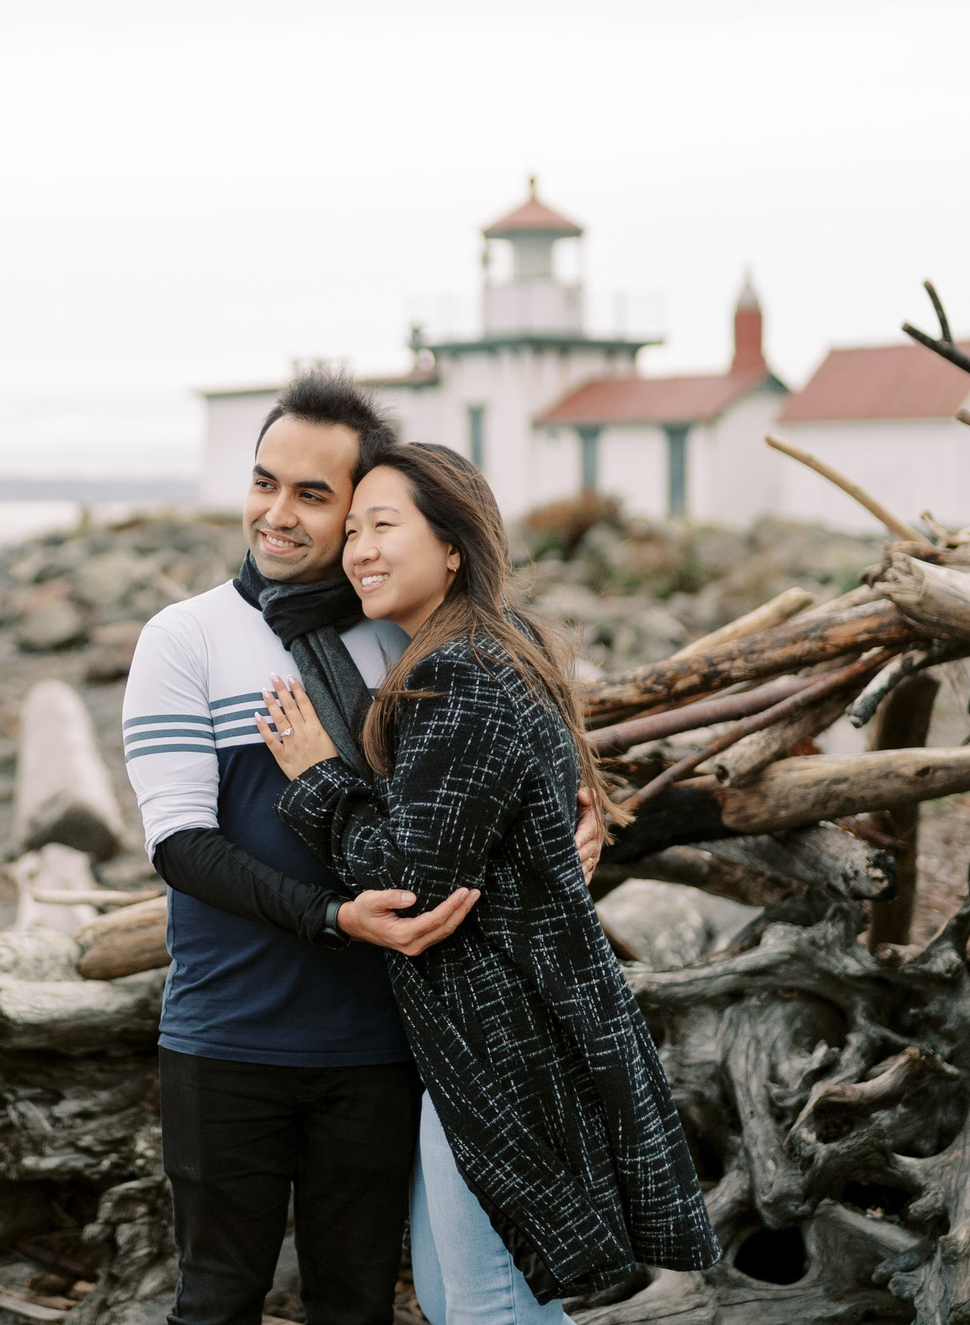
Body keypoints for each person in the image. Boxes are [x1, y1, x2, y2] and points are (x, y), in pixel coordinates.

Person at [120, 374, 605, 1325]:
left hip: (384, 1041)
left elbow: (474, 800)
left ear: (357, 513)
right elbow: (180, 845)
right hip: (230, 1034)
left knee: (357, 1304)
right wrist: (332, 918)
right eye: (265, 483)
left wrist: (567, 837)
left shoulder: (401, 637)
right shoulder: (185, 639)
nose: (278, 514)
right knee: (216, 1299)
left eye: (313, 495)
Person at [258, 441, 722, 1322]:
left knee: (489, 1304)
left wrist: (316, 774)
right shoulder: (486, 652)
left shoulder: (459, 673)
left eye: (382, 526)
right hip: (504, 1032)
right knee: (465, 1295)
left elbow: (412, 882)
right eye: (350, 530)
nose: (357, 549)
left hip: (504, 1040)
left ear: (454, 546)